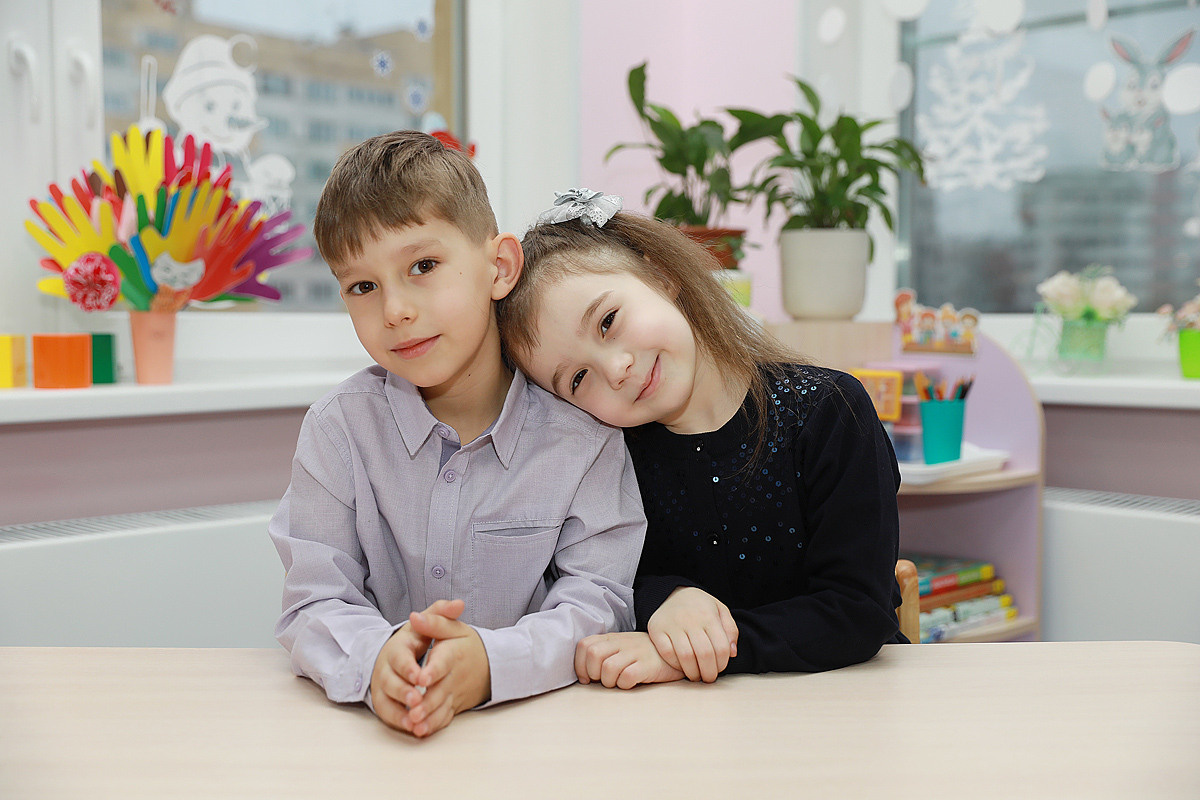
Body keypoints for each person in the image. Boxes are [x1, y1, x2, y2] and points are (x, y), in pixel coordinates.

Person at [269, 140, 646, 737]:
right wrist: (377, 661)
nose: (394, 310)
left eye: (422, 266)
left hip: (546, 737)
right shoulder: (337, 429)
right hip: (380, 747)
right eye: (362, 286)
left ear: (499, 267)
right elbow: (315, 600)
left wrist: (493, 665)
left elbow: (600, 601)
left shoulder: (585, 438)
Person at [498, 189, 904, 690]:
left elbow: (858, 611)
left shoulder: (830, 411)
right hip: (691, 727)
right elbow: (596, 579)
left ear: (662, 277)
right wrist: (664, 597)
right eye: (578, 379)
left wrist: (699, 653)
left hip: (845, 705)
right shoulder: (610, 456)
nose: (617, 368)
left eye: (608, 322)